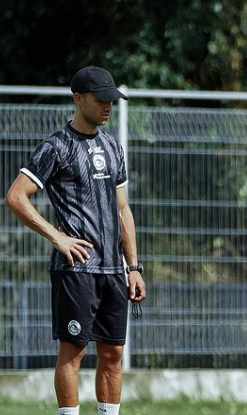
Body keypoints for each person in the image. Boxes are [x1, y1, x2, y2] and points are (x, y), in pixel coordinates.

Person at [5, 66, 146, 415]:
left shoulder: (113, 146)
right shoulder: (56, 147)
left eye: (112, 101)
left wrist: (134, 267)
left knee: (113, 353)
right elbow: (16, 197)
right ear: (78, 99)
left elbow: (123, 210)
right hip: (76, 270)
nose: (108, 107)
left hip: (114, 271)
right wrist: (58, 238)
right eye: (101, 101)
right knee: (75, 352)